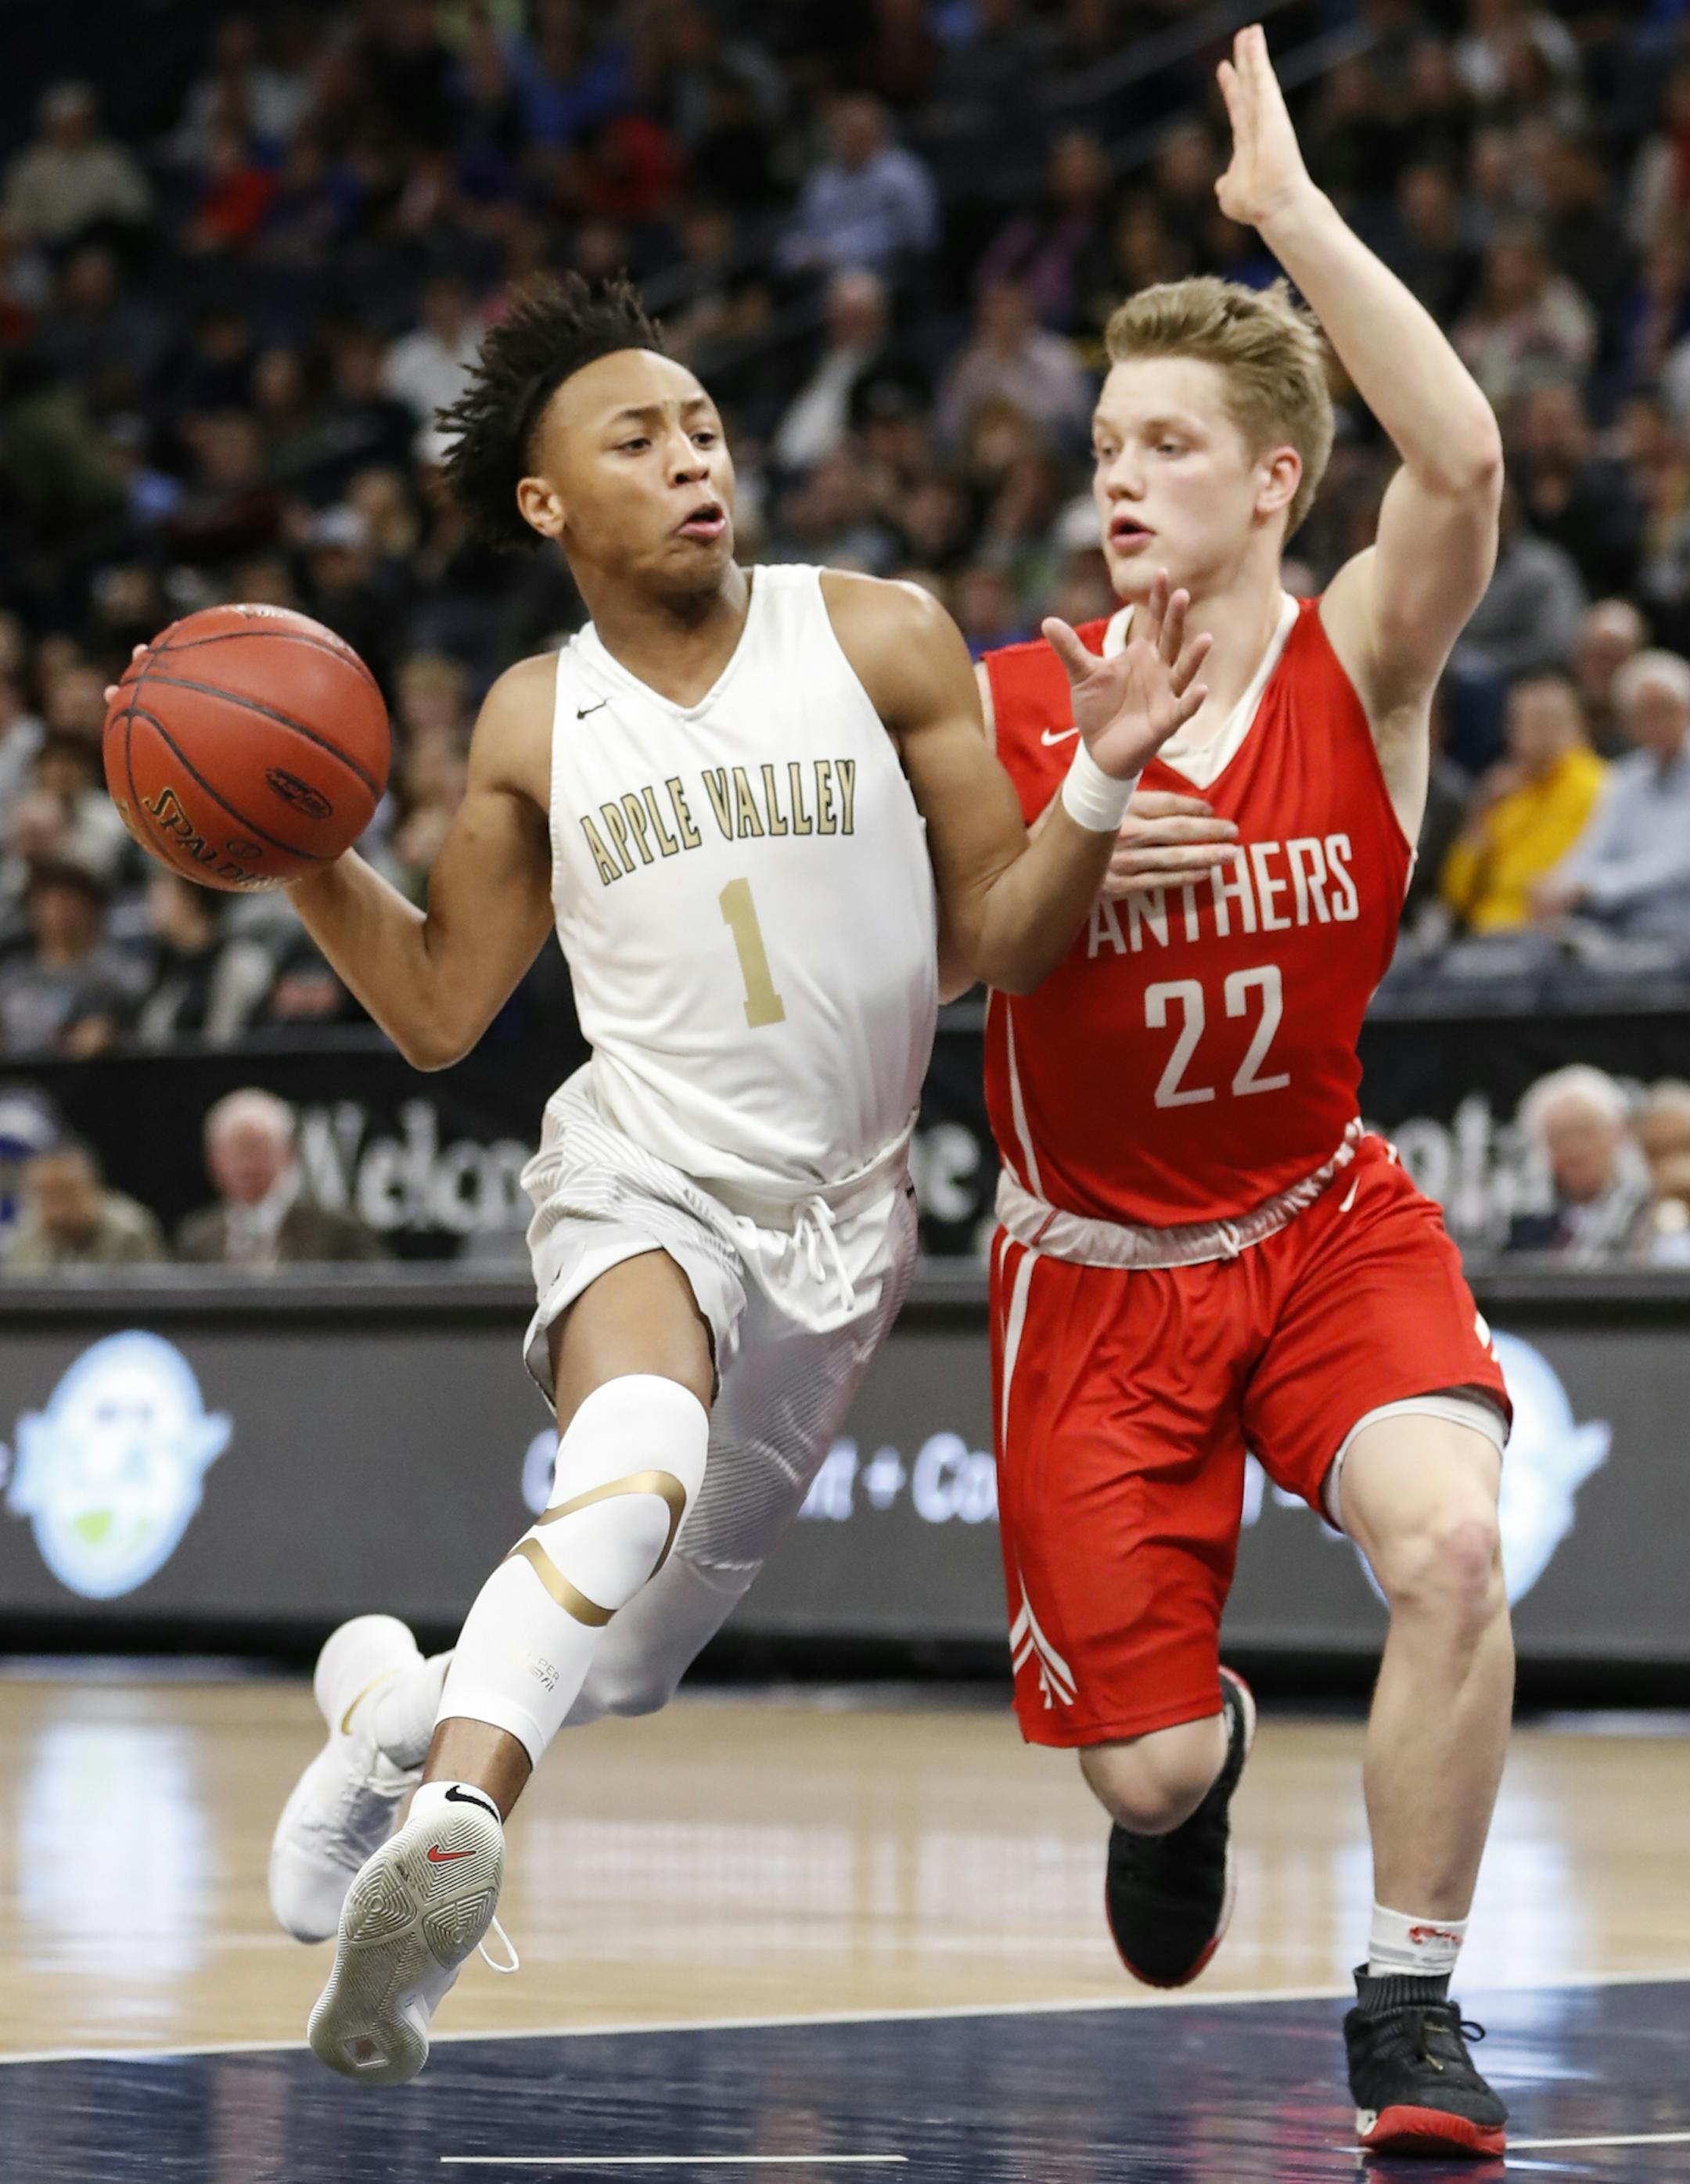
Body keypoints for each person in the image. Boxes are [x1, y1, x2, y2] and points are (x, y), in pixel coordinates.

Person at [254, 273, 1215, 2088]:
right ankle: (448, 1841)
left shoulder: (878, 635)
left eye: (703, 426)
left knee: (613, 1665)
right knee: (626, 1479)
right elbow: (444, 1007)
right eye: (638, 438)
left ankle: (387, 1711)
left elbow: (998, 940)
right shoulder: (536, 721)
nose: (693, 457)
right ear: (546, 504)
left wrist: (1093, 773)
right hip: (644, 1169)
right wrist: (309, 856)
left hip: (839, 1224)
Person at [976, 28, 1513, 2159]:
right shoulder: (1019, 699)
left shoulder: (1359, 658)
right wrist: (1094, 808)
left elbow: (1461, 466)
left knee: (1457, 1545)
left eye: (1173, 442)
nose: (1122, 475)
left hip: (1315, 1217)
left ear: (1273, 479)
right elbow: (988, 959)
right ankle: (1206, 1753)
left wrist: (1286, 219)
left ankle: (1407, 1995)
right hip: (1093, 1271)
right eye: (1107, 438)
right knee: (1150, 1773)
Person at [1532, 649, 1690, 943]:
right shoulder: (1624, 778)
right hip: (1623, 925)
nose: (1656, 721)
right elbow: (1593, 846)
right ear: (1630, 725)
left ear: (1687, 710)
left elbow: (1678, 865)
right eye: (1644, 713)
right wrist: (1562, 881)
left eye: (1665, 708)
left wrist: (1592, 887)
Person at [1440, 675, 1606, 932]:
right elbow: (1457, 895)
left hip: (1550, 935)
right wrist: (1479, 816)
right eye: (1524, 722)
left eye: (1549, 722)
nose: (1538, 734)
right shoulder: (1505, 793)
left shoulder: (1597, 787)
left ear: (1578, 726)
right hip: (1484, 934)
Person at [176, 1088, 384, 1266]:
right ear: (214, 1160)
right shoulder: (197, 1238)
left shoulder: (338, 1232)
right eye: (236, 1150)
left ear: (288, 1154)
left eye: (258, 1148)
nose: (247, 1164)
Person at [1507, 1066, 1649, 1261]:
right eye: (1560, 1137)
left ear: (1617, 1135)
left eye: (1586, 1132)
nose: (1575, 1149)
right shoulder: (1525, 1222)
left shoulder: (1646, 1210)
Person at [2, 1137, 167, 1273]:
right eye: (47, 1196)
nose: (59, 1210)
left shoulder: (130, 1232)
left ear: (94, 1188)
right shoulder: (23, 1238)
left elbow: (157, 1303)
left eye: (67, 1193)